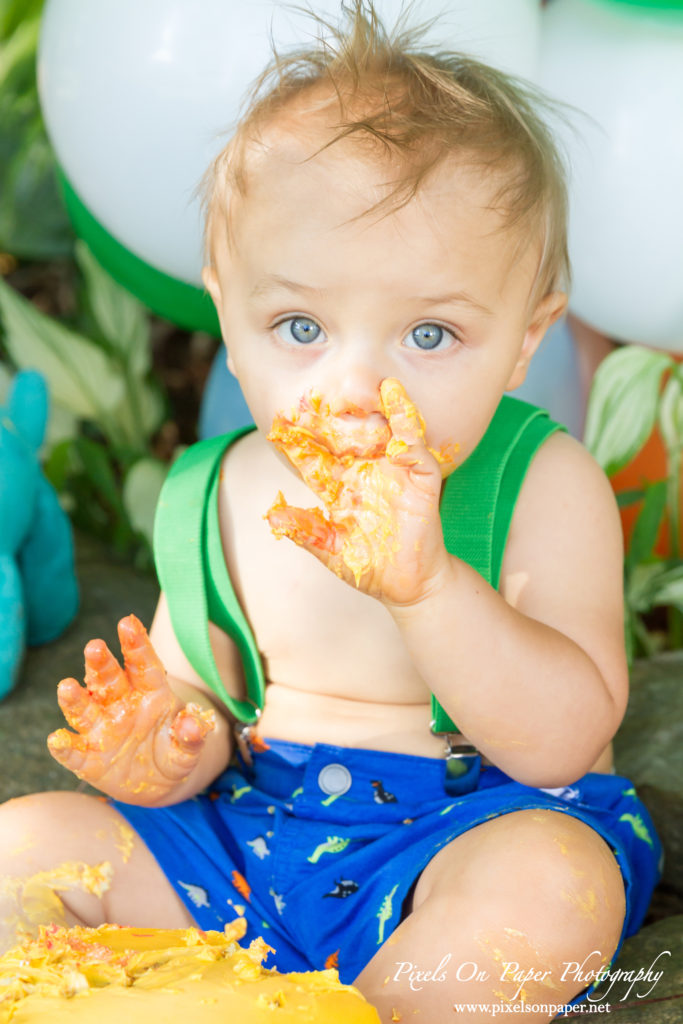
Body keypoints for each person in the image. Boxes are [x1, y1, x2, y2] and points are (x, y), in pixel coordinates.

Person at [0, 4, 661, 1021]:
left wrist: (432, 586)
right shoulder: (220, 488)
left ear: (523, 339)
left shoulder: (538, 481)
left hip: (465, 833)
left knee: (545, 888)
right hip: (250, 841)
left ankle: (377, 1007)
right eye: (299, 325)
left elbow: (564, 737)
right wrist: (166, 745)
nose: (352, 385)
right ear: (225, 307)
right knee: (25, 849)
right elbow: (206, 704)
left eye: (429, 335)